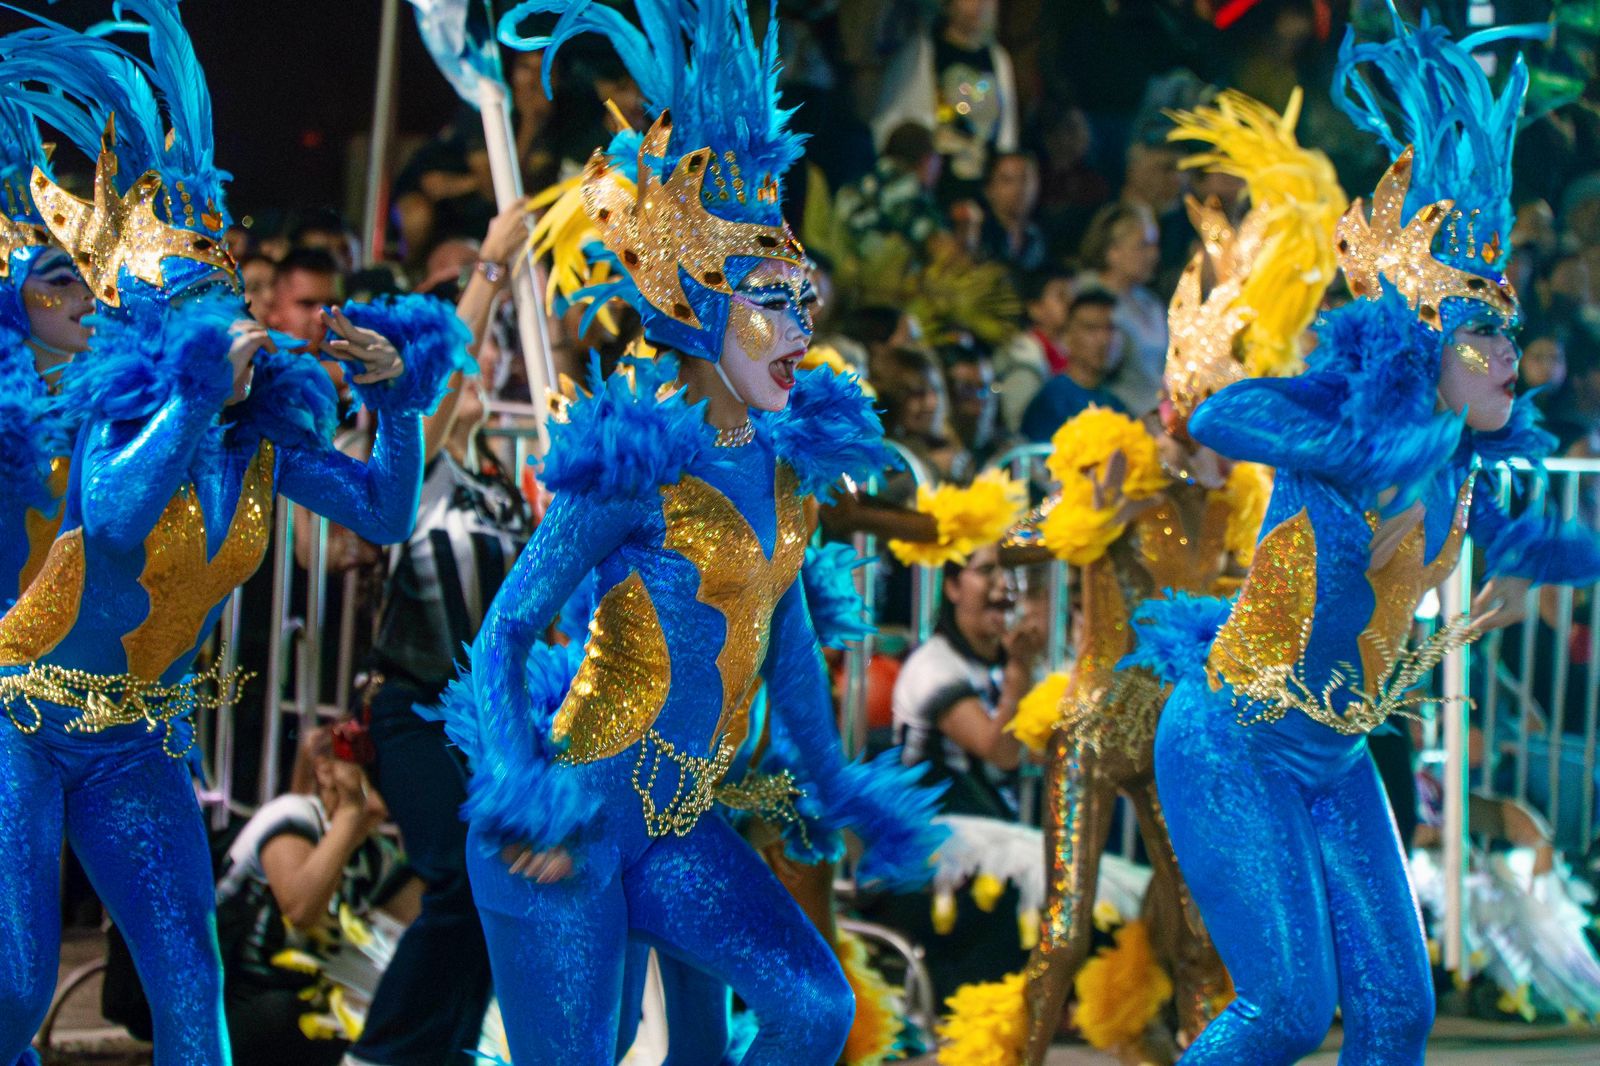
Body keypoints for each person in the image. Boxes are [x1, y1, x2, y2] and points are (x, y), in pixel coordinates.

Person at [432, 4, 946, 1062]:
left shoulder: (787, 465)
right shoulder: (638, 463)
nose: (800, 328)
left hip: (675, 822)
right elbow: (505, 634)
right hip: (574, 822)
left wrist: (836, 782)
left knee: (816, 1010)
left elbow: (786, 636)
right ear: (701, 308)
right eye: (772, 301)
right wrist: (525, 794)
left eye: (802, 299)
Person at [0, 7, 473, 1063]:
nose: (230, 324)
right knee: (17, 984)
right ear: (155, 328)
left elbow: (385, 512)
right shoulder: (111, 416)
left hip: (136, 740)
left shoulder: (257, 440)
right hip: (21, 724)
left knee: (192, 989)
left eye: (229, 297)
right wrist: (188, 400)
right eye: (200, 307)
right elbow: (114, 519)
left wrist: (396, 401)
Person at [1134, 12, 1600, 1063]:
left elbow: (1540, 548)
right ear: (1425, 340)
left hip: (1336, 752)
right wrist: (1362, 447)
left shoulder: (1457, 469)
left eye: (1511, 332)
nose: (1509, 357)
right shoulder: (1347, 427)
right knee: (1287, 1010)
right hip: (1233, 741)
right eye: (1483, 334)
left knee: (1397, 1014)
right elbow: (1220, 414)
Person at [940, 87, 1347, 1066]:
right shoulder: (1114, 458)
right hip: (1093, 728)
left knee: (1201, 923)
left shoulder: (1245, 498)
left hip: (1175, 734)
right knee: (1063, 928)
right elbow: (1017, 544)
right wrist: (1090, 518)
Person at [345, 200, 534, 1066]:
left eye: (494, 346)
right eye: (476, 347)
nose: (488, 359)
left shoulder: (502, 479)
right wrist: (490, 268)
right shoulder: (405, 462)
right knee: (461, 874)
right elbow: (445, 384)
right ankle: (382, 1054)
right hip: (414, 709)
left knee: (505, 890)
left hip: (492, 720)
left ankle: (450, 1052)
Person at [216, 728, 408, 1066]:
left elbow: (414, 935)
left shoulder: (378, 855)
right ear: (327, 771)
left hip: (309, 1007)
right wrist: (351, 812)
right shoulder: (292, 815)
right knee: (289, 1017)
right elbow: (300, 910)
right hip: (235, 999)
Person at [872, 0, 1020, 204]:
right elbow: (895, 122)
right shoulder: (923, 51)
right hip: (933, 190)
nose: (979, 5)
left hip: (981, 195)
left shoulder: (998, 59)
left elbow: (1006, 134)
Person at [1077, 202, 1167, 416]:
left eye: (1154, 245)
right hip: (1109, 416)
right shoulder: (1084, 296)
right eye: (1142, 245)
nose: (1153, 254)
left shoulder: (1151, 303)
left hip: (1158, 416)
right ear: (1113, 251)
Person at [1019, 288, 1124, 441]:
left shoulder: (1115, 404)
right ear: (1067, 337)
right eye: (1091, 329)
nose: (1104, 340)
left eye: (1109, 328)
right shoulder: (1051, 401)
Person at [994, 270, 1073, 430]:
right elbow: (1018, 424)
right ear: (1035, 309)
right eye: (1061, 296)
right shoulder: (1021, 357)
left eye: (1072, 297)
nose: (1070, 304)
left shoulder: (1067, 352)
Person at [976, 152, 1046, 276]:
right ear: (989, 189)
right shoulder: (978, 236)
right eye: (1008, 181)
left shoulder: (1042, 235)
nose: (1019, 188)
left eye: (1025, 179)